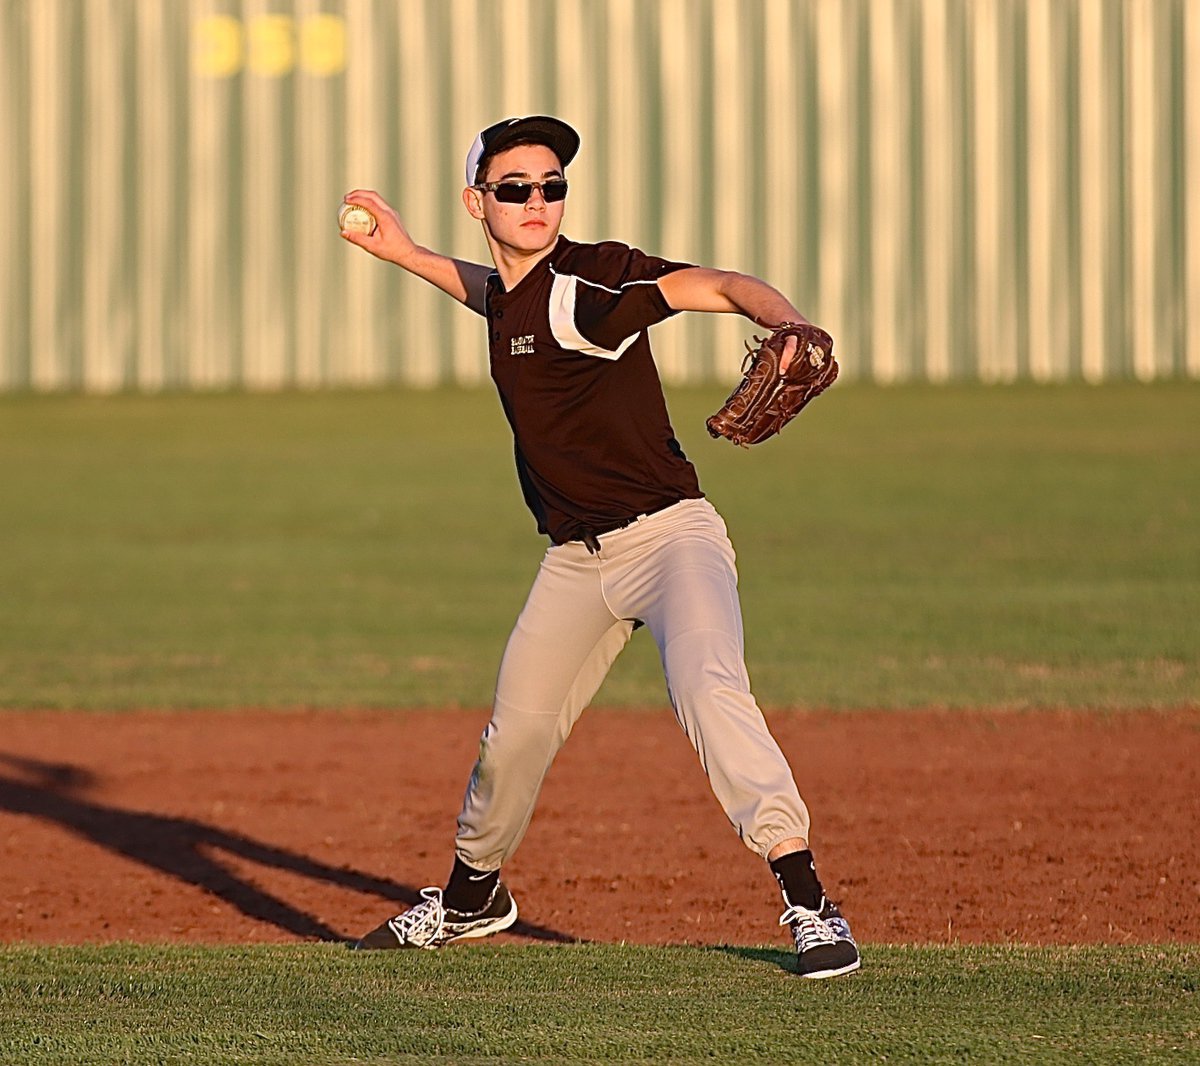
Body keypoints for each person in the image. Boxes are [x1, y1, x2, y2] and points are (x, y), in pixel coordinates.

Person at [340, 116, 859, 979]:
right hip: (576, 563)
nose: (538, 200)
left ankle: (808, 901)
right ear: (481, 203)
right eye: (515, 188)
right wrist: (405, 255)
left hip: (671, 538)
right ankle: (473, 900)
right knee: (514, 738)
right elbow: (492, 293)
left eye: (552, 185)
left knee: (707, 687)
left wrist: (792, 323)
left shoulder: (596, 280)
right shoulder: (514, 294)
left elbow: (722, 285)